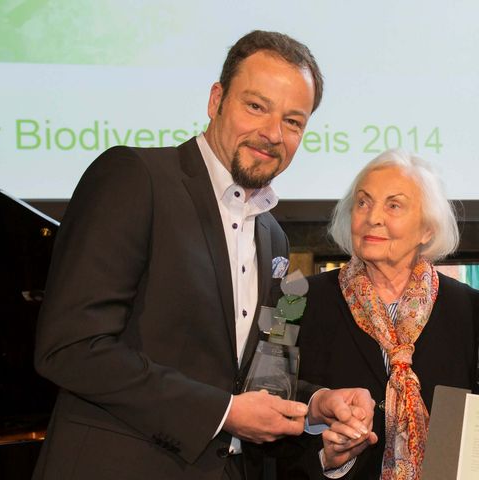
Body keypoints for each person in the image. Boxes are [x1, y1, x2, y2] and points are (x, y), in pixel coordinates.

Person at [32, 30, 375, 480]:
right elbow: (71, 347)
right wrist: (224, 412)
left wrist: (316, 403)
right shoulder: (136, 178)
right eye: (256, 106)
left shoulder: (272, 235)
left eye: (293, 121)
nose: (273, 133)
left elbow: (245, 374)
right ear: (216, 100)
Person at [278, 149, 479, 479]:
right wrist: (326, 459)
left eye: (394, 205)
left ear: (427, 230)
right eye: (363, 202)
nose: (373, 217)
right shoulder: (290, 296)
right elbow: (261, 394)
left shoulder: (470, 308)